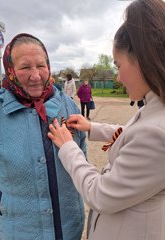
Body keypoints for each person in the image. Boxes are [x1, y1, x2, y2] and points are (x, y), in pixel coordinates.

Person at [48, 0, 165, 239]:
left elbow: (99, 194)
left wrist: (69, 148)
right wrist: (92, 128)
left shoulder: (158, 131)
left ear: (142, 60)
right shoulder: (156, 107)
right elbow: (134, 134)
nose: (119, 77)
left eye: (118, 65)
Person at [0, 33, 86, 240]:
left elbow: (81, 154)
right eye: (24, 67)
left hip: (68, 226)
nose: (36, 75)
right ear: (10, 71)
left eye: (41, 65)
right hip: (18, 228)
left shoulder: (68, 106)